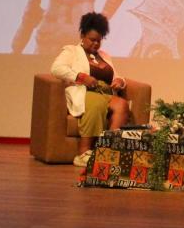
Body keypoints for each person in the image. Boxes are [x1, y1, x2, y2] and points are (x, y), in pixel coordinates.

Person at [51, 12, 130, 167]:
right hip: (85, 91)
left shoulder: (104, 55)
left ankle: (108, 150)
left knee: (122, 105)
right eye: (92, 39)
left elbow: (116, 75)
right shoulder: (71, 51)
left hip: (105, 92)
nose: (96, 44)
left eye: (99, 41)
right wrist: (81, 77)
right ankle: (83, 153)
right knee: (97, 104)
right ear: (82, 35)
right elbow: (56, 68)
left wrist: (120, 81)